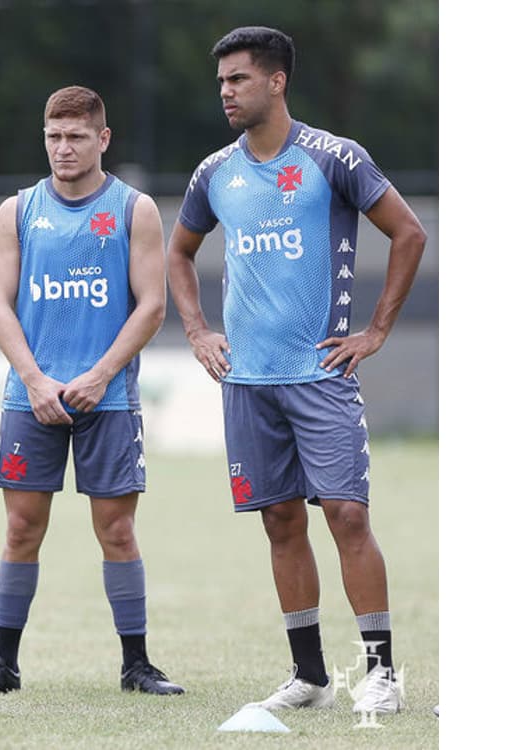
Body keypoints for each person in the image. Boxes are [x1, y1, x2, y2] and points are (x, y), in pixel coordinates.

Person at [165, 26, 426, 714]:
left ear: (276, 81)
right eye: (222, 81)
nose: (226, 91)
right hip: (247, 382)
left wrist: (375, 331)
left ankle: (381, 674)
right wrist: (197, 330)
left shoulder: (333, 157)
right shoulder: (213, 172)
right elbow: (179, 252)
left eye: (238, 79)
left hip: (320, 376)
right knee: (280, 521)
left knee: (345, 514)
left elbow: (409, 232)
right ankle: (309, 677)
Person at [0, 85, 183, 697]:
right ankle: (2, 664)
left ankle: (136, 665)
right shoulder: (18, 210)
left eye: (77, 136)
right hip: (30, 398)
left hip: (106, 398)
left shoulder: (135, 209)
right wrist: (33, 379)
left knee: (116, 530)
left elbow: (153, 305)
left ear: (102, 139)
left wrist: (101, 373)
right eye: (54, 137)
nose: (63, 148)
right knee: (22, 529)